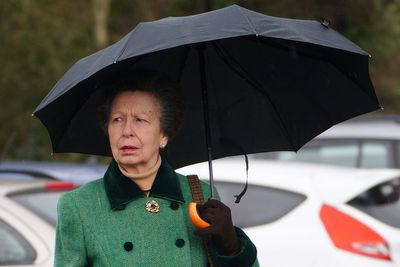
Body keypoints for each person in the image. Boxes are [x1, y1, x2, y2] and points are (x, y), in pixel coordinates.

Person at [54, 71, 259, 266]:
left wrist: (231, 246)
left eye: (140, 120)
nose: (126, 131)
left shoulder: (201, 195)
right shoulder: (78, 206)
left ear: (164, 135)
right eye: (117, 119)